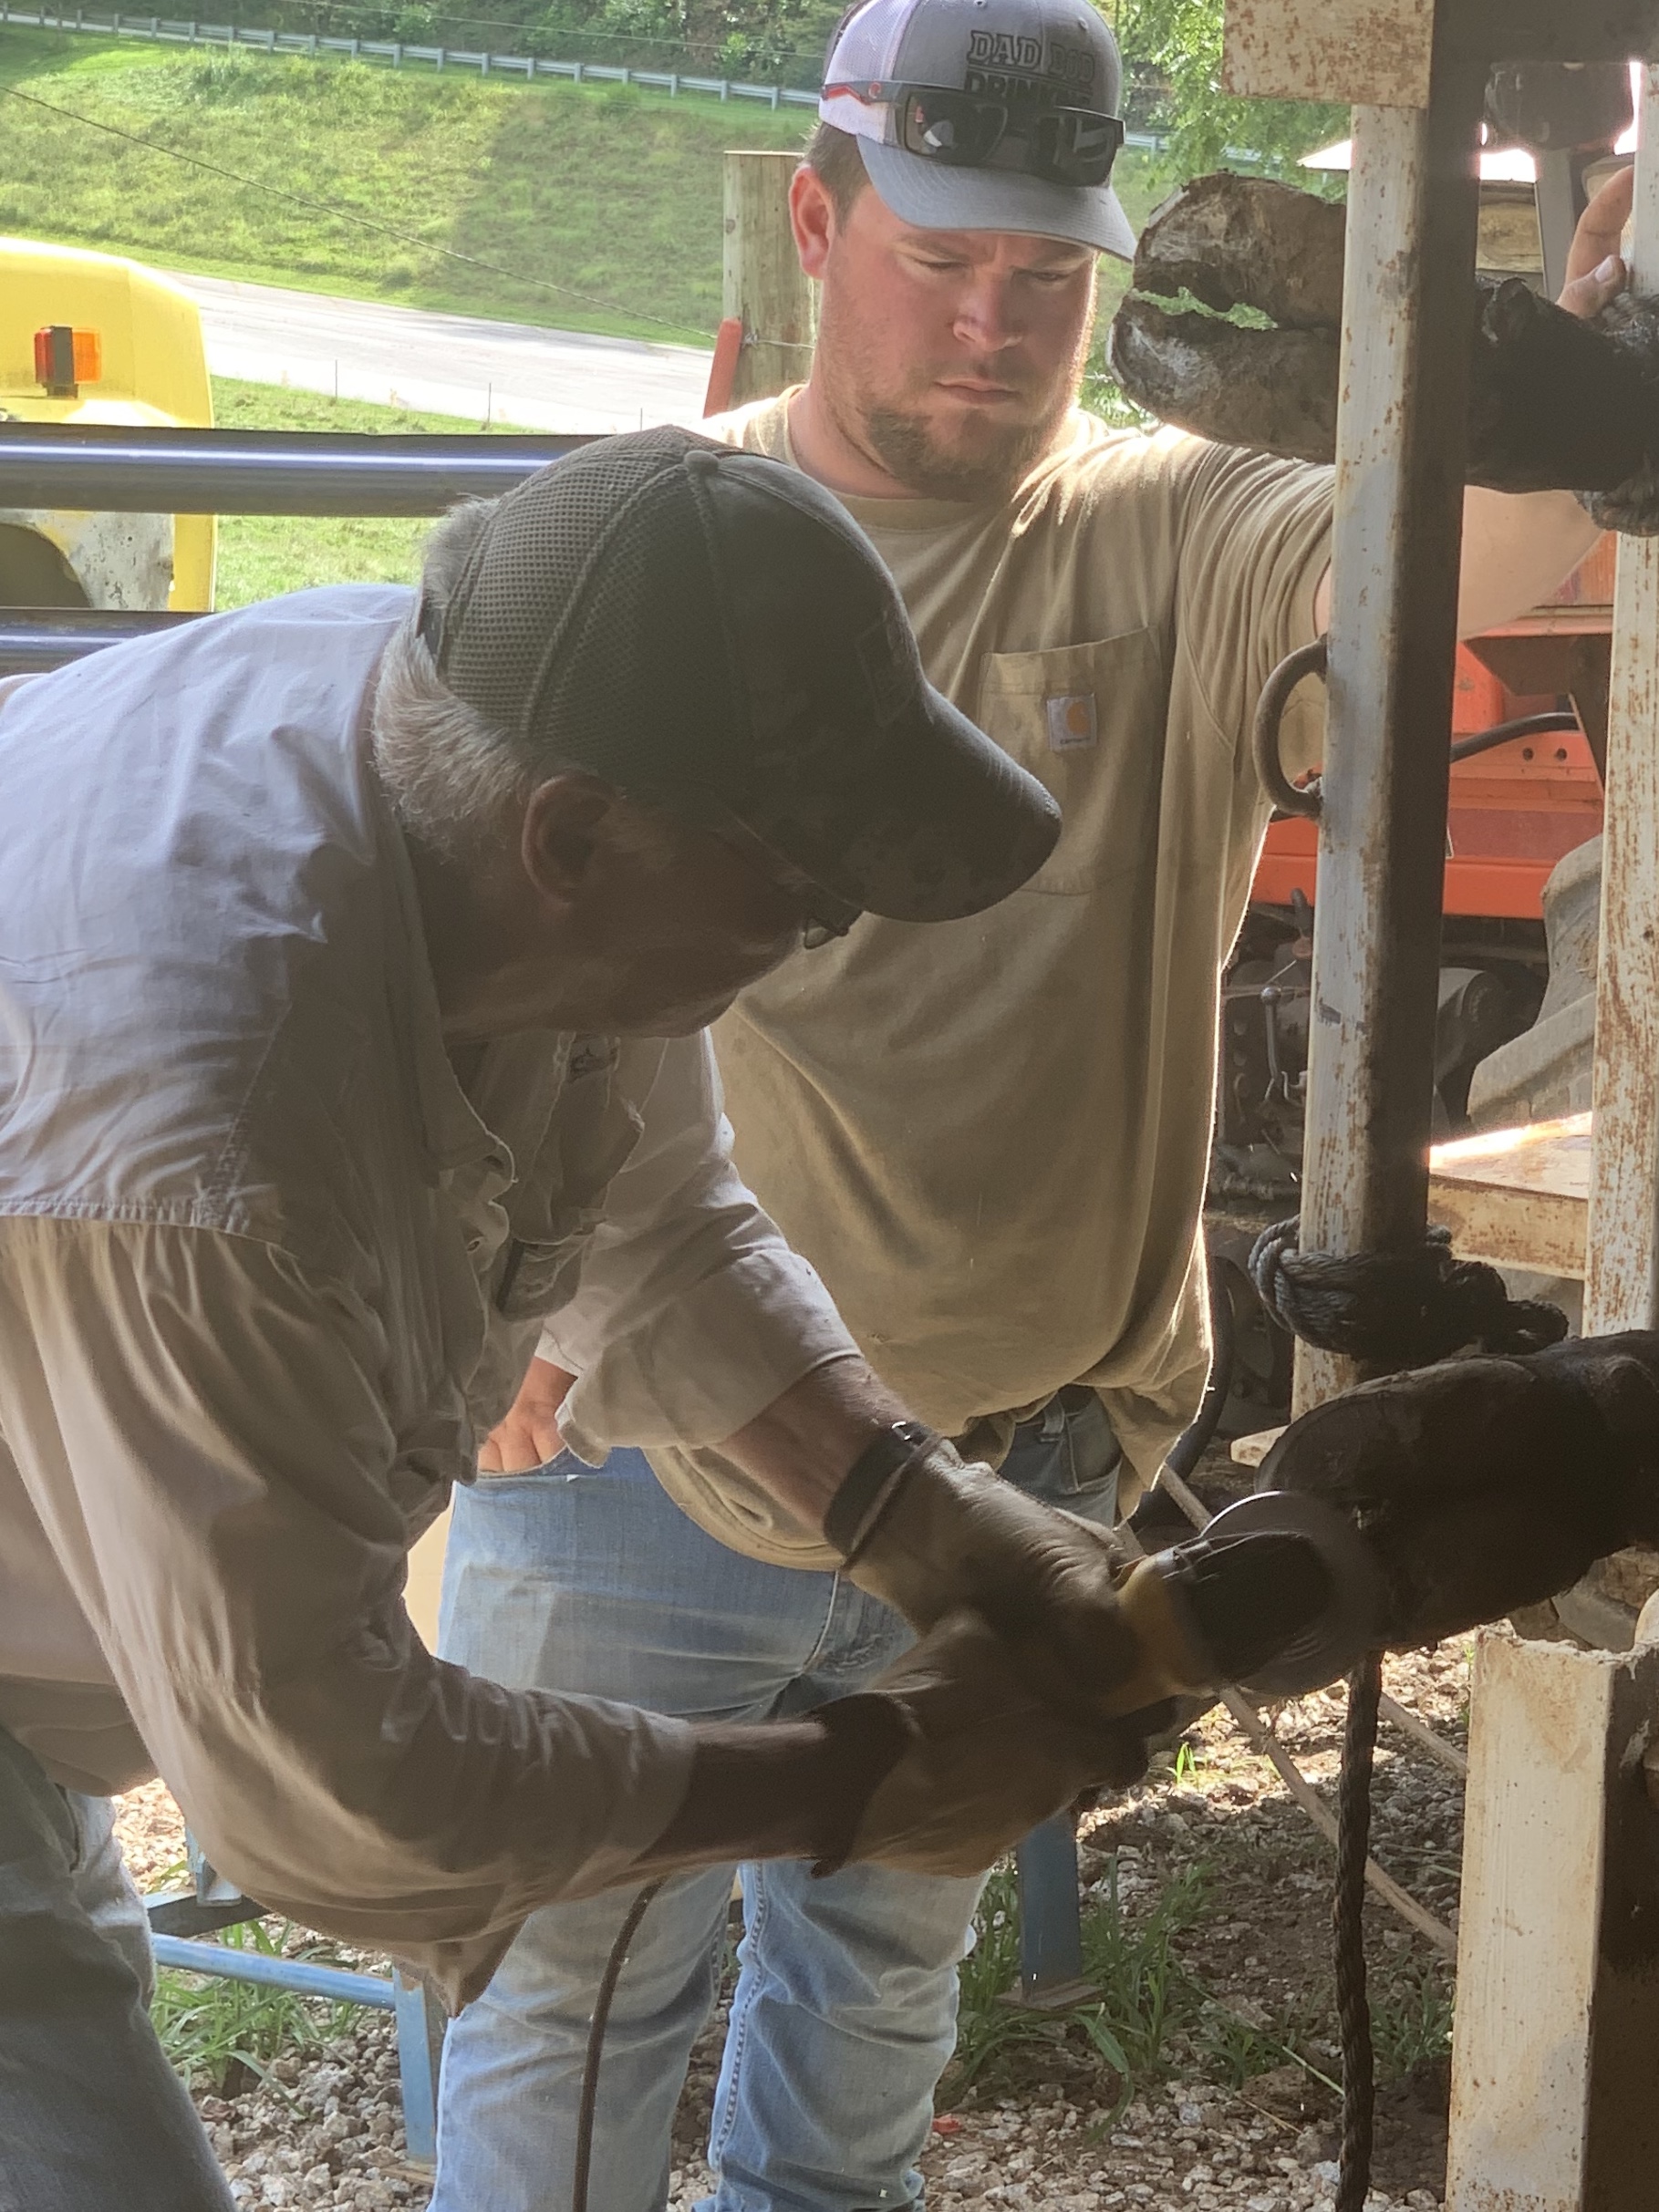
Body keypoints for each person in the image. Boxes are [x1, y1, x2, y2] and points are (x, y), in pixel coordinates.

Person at [432, 7, 1636, 2207]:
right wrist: (486, 1294)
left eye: (1049, 280)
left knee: (875, 2015)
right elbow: (460, 937)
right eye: (941, 263)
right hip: (642, 1457)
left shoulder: (1175, 526)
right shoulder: (638, 558)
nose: (996, 328)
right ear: (818, 222)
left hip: (1020, 1443)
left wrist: (1566, 361)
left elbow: (1489, 544)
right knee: (563, 2032)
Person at [0, 426, 1168, 2212]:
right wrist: (859, 1777)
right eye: (797, 897)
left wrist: (922, 1518)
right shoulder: (207, 1138)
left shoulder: (469, 758)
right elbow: (335, 1783)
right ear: (573, 836)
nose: (820, 935)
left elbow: (661, 1224)